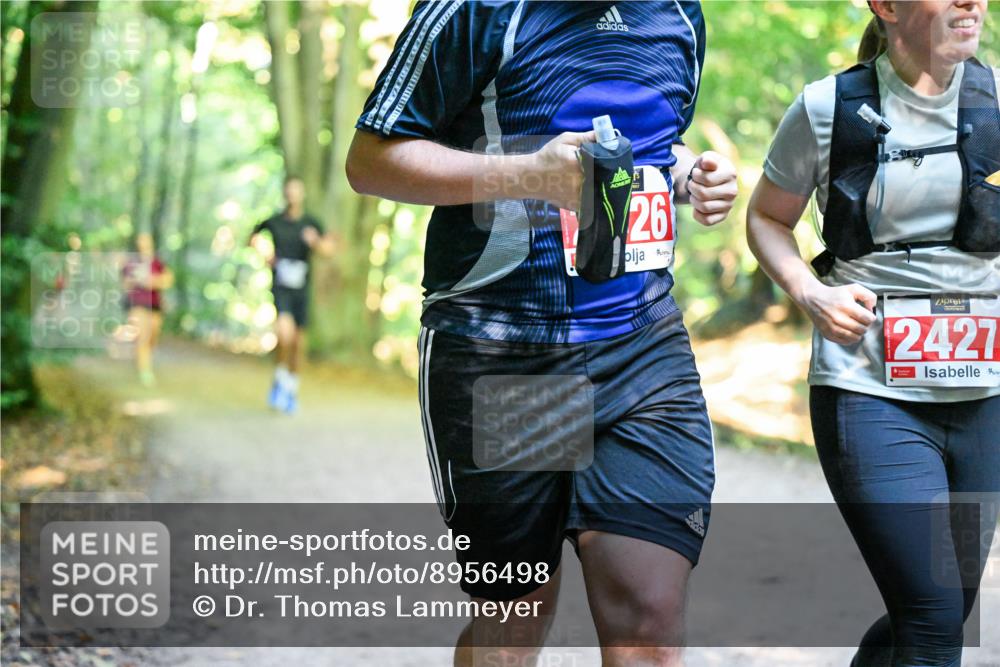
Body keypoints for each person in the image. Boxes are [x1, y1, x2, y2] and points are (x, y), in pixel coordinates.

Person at [347, 2, 738, 665]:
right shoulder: (475, 11)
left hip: (642, 349)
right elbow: (371, 159)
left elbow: (642, 147)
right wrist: (528, 174)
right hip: (500, 350)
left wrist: (688, 176)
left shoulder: (679, 14)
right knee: (515, 624)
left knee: (649, 625)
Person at [747, 1, 999, 665]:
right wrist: (811, 292)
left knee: (946, 606)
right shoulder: (829, 108)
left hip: (983, 396)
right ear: (887, 7)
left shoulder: (997, 98)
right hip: (869, 388)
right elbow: (767, 219)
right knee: (933, 619)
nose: (971, 2)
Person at [249, 175, 335, 414]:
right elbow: (252, 237)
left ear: (302, 194)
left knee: (298, 343)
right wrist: (265, 254)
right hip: (281, 286)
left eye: (296, 190)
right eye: (289, 190)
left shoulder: (311, 223)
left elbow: (329, 250)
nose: (292, 195)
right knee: (284, 334)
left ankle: (290, 389)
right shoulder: (274, 221)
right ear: (285, 193)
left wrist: (315, 242)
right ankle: (279, 380)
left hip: (302, 289)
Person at [122, 232, 173, 387]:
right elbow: (125, 284)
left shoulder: (158, 263)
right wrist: (136, 281)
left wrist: (152, 281)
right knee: (143, 337)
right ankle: (145, 371)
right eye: (140, 240)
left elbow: (167, 280)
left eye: (146, 240)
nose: (143, 243)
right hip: (137, 304)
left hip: (155, 306)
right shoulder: (131, 263)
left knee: (152, 338)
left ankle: (143, 360)